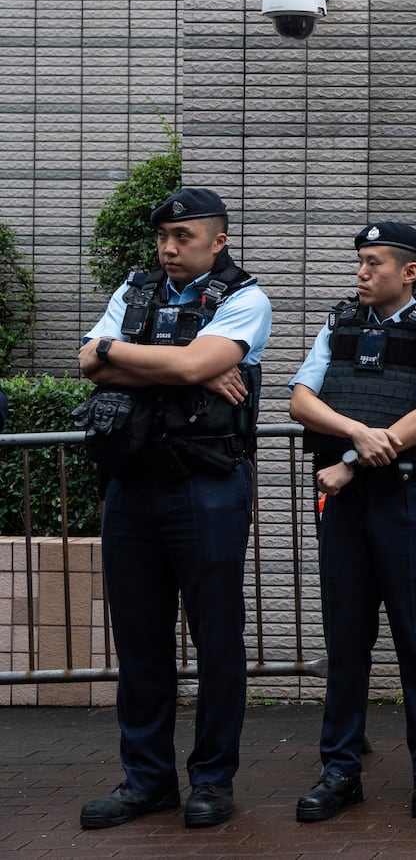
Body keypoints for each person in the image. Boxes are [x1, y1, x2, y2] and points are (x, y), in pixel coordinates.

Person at [75, 187, 272, 830]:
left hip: (205, 486)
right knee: (140, 642)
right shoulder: (134, 291)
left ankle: (212, 780)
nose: (167, 248)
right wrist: (174, 366)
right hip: (131, 487)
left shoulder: (244, 298)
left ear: (218, 240)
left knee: (217, 640)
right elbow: (89, 362)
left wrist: (122, 356)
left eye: (182, 237)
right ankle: (147, 780)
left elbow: (201, 364)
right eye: (162, 236)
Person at [287, 222, 416, 822]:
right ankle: (340, 770)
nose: (361, 272)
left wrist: (346, 460)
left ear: (409, 272)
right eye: (359, 262)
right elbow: (301, 399)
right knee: (345, 642)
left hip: (409, 503)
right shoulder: (340, 323)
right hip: (349, 509)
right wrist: (355, 437)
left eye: (373, 263)